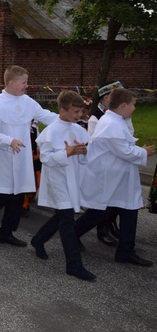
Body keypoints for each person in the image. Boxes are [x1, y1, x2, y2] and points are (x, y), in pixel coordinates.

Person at [0, 65, 57, 246]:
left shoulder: (28, 102)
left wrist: (66, 119)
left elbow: (46, 116)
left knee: (17, 195)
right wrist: (10, 141)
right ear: (11, 83)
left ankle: (5, 233)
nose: (26, 85)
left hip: (21, 156)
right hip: (3, 155)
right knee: (2, 194)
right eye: (24, 82)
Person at [74, 88, 156, 266]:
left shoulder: (115, 120)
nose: (135, 108)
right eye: (133, 104)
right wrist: (144, 152)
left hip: (118, 176)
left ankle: (125, 251)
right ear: (124, 105)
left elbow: (123, 146)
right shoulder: (111, 123)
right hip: (109, 177)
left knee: (128, 209)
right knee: (100, 211)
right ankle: (71, 234)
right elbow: (123, 150)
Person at [29, 90, 96, 281]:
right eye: (75, 112)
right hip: (58, 179)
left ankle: (38, 239)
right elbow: (45, 158)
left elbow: (84, 155)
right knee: (67, 219)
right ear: (63, 110)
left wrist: (82, 153)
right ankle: (74, 265)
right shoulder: (51, 131)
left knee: (61, 215)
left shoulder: (79, 129)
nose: (79, 115)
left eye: (80, 111)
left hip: (72, 178)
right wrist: (66, 153)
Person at [87, 81, 127, 246]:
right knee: (104, 201)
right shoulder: (95, 117)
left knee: (117, 199)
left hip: (119, 162)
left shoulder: (120, 114)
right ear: (105, 98)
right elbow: (94, 143)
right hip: (104, 166)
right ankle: (101, 228)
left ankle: (111, 223)